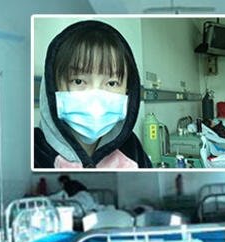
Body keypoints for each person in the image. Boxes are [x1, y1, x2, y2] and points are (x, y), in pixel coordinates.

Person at [34, 20, 152, 169]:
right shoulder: (33, 152)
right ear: (52, 86)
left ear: (128, 90)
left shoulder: (131, 149)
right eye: (78, 81)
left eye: (112, 83)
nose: (96, 101)